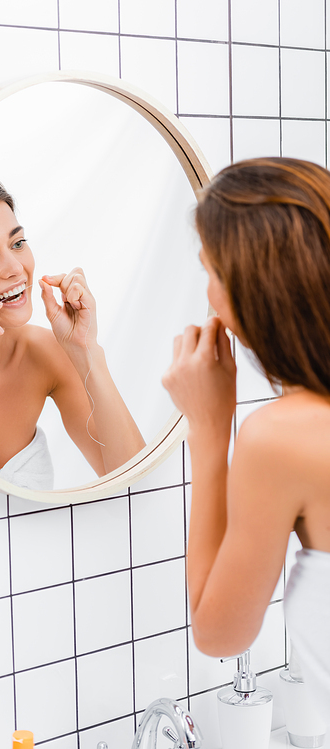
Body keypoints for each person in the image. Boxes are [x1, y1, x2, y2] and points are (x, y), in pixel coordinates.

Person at [162, 157, 330, 723]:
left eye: (210, 270)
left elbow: (221, 633)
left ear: (252, 287)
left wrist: (210, 430)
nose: (207, 295)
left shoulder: (285, 438)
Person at [0, 174, 144, 490]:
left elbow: (134, 484)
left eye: (18, 243)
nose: (16, 268)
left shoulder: (42, 352)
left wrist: (86, 351)